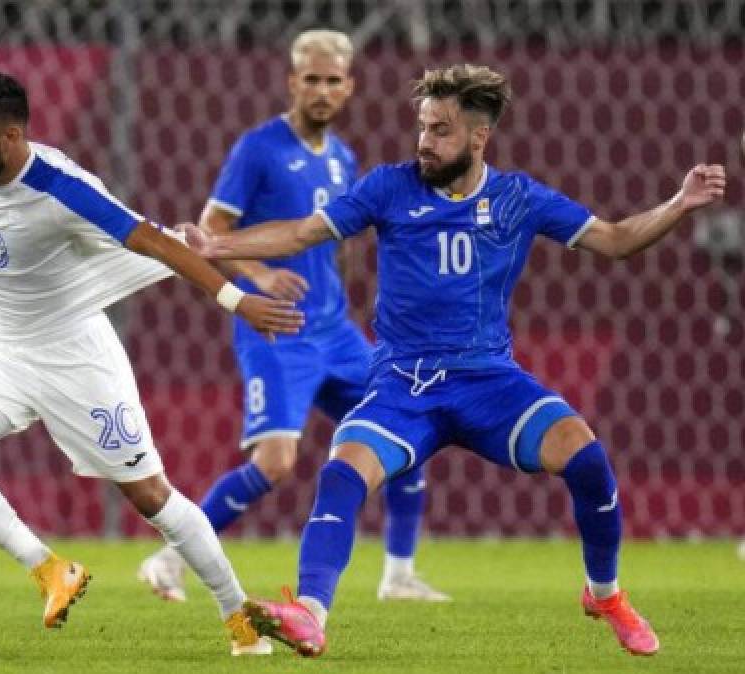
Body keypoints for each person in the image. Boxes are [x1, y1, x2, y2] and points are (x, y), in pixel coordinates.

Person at [181, 64, 726, 657]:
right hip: (404, 383)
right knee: (341, 472)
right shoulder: (389, 187)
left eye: (440, 130)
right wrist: (218, 245)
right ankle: (309, 614)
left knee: (586, 457)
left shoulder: (519, 198)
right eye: (421, 127)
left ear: (477, 137)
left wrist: (681, 202)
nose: (424, 142)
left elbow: (618, 239)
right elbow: (302, 233)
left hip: (488, 380)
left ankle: (606, 595)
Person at [0, 72, 305, 655]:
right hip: (5, 356)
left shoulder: (62, 190)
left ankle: (238, 616)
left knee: (151, 497)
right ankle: (48, 569)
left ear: (11, 136)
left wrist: (238, 300)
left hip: (77, 361)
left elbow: (157, 242)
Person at [137, 29, 447, 604]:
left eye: (333, 80)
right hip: (276, 328)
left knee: (410, 424)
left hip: (334, 329)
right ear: (292, 82)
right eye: (312, 79)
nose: (322, 90)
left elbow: (342, 236)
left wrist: (351, 286)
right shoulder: (258, 149)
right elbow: (212, 231)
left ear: (349, 87)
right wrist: (260, 275)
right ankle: (170, 559)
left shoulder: (342, 157)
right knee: (276, 462)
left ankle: (399, 576)